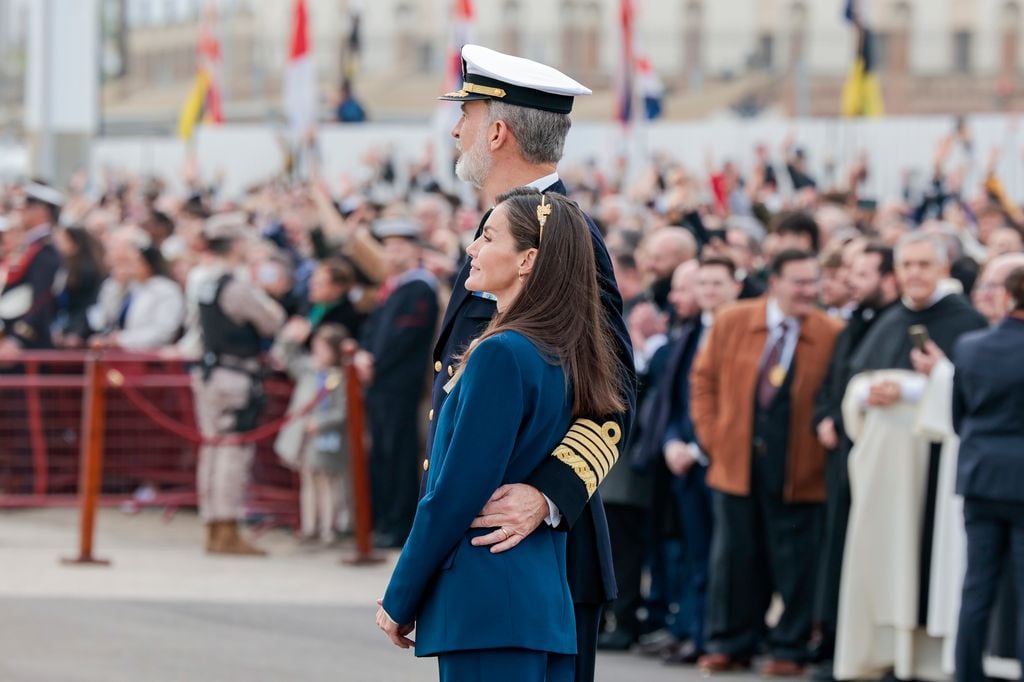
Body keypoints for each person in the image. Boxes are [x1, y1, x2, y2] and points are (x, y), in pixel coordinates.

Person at [425, 44, 635, 682]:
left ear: (497, 130)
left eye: (466, 114)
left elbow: (616, 394)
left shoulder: (563, 238)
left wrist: (548, 493)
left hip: (544, 553)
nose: (455, 129)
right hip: (488, 559)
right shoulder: (505, 230)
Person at [376, 189, 626, 682]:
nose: (472, 247)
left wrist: (401, 593)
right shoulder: (559, 348)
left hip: (488, 599)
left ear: (527, 260)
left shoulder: (502, 352)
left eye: (488, 236)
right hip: (537, 598)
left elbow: (456, 491)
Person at [835, 232, 987, 682]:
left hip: (931, 470)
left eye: (924, 265)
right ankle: (879, 655)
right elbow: (855, 380)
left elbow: (970, 387)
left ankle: (921, 661)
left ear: (943, 268)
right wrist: (866, 391)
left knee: (921, 566)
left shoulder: (966, 321)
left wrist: (913, 387)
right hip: (883, 468)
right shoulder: (890, 318)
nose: (915, 274)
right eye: (907, 266)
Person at [690, 249, 841, 676]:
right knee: (734, 557)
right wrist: (714, 439)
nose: (807, 291)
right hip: (735, 461)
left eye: (813, 282)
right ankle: (730, 642)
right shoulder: (734, 320)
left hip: (799, 466)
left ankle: (788, 647)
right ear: (774, 281)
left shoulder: (831, 332)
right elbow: (703, 382)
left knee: (794, 561)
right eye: (799, 282)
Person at [810, 244, 899, 681]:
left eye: (863, 274)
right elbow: (835, 380)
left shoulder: (894, 323)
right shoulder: (856, 322)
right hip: (841, 455)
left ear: (889, 278)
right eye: (852, 273)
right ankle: (831, 643)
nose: (852, 282)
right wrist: (825, 416)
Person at [192, 213, 286, 555]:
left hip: (209, 371)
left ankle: (213, 525)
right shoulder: (235, 285)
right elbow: (271, 320)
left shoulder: (201, 280)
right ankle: (227, 526)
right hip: (236, 375)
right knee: (232, 450)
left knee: (212, 449)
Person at [952, 265, 1024, 682]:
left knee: (976, 584)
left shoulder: (971, 346)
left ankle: (967, 673)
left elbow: (958, 414)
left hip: (980, 475)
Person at [356, 218, 439, 548]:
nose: (392, 252)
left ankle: (397, 524)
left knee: (399, 453)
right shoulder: (393, 287)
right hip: (380, 383)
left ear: (415, 250)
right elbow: (374, 330)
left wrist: (375, 361)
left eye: (400, 246)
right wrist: (363, 354)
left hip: (400, 385)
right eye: (388, 246)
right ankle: (383, 521)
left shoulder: (419, 287)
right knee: (382, 454)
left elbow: (405, 336)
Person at [272, 320, 350, 546]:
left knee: (328, 482)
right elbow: (286, 357)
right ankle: (309, 526)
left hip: (327, 438)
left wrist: (321, 423)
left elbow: (341, 411)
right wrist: (291, 337)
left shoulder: (341, 377)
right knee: (308, 481)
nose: (317, 354)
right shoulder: (308, 370)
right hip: (305, 438)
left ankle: (329, 528)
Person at [0, 182, 64, 352]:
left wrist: (18, 338)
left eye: (27, 206)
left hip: (28, 346)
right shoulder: (31, 246)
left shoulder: (46, 250)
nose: (21, 211)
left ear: (42, 211)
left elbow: (42, 299)